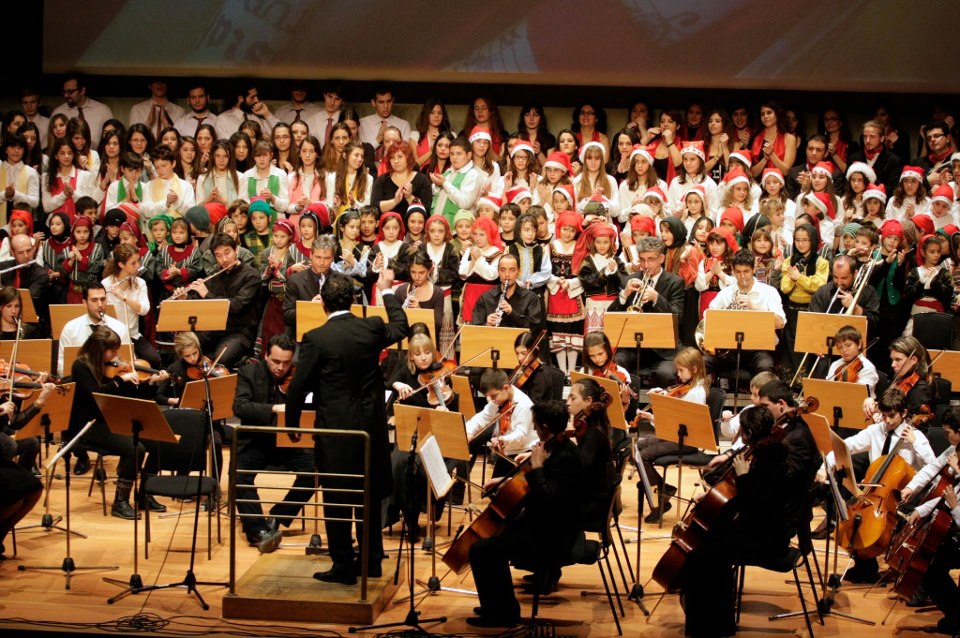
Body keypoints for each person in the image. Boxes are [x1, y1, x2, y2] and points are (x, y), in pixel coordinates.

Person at [284, 269, 407, 585]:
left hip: (336, 430)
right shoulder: (372, 327)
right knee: (369, 494)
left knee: (337, 497)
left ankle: (343, 565)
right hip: (370, 428)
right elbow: (401, 325)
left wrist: (293, 423)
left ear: (323, 303)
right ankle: (371, 560)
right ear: (353, 300)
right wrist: (387, 290)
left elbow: (298, 387)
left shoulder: (316, 338)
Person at [466, 399, 582, 628]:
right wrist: (505, 480)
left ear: (545, 427)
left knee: (481, 550)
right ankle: (497, 606)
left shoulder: (567, 457)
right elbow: (537, 485)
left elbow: (548, 498)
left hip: (553, 536)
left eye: (535, 425)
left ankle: (502, 614)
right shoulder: (556, 446)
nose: (534, 428)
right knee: (490, 541)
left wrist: (537, 468)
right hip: (543, 524)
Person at [679, 406, 792, 638]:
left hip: (767, 539)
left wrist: (743, 476)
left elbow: (755, 505)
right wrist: (711, 497)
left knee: (703, 556)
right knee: (708, 547)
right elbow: (743, 499)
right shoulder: (761, 453)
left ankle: (711, 627)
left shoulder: (769, 461)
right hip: (757, 529)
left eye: (742, 431)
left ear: (749, 433)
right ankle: (714, 623)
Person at [822, 387, 936, 583]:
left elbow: (934, 466)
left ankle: (897, 565)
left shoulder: (916, 437)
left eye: (892, 416)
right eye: (883, 415)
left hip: (906, 496)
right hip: (875, 492)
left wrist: (915, 443)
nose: (887, 421)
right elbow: (844, 446)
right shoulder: (875, 431)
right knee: (853, 518)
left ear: (904, 413)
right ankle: (865, 566)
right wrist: (826, 465)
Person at [65, 325, 167, 519]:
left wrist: (150, 383)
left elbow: (134, 396)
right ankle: (120, 502)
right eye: (112, 351)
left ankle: (145, 494)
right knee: (135, 449)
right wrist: (121, 380)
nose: (116, 356)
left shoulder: (113, 369)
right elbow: (96, 395)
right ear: (99, 349)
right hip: (91, 425)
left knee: (158, 441)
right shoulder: (81, 366)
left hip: (116, 420)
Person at [232, 334, 314, 553]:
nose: (281, 368)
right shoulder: (248, 372)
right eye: (276, 361)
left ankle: (278, 516)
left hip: (288, 442)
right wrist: (273, 409)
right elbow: (240, 406)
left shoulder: (299, 375)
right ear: (266, 355)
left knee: (314, 472)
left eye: (286, 363)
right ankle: (258, 531)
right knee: (239, 475)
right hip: (256, 441)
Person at [174, 231, 261, 369]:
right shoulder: (215, 274)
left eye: (227, 253)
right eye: (218, 256)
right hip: (214, 329)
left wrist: (207, 294)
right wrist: (186, 299)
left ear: (236, 250)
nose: (224, 259)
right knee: (186, 349)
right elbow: (202, 303)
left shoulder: (251, 275)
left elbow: (237, 305)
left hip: (238, 332)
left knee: (221, 360)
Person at [607, 236, 685, 386]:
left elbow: (678, 317)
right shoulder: (629, 280)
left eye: (651, 259)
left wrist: (657, 298)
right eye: (642, 260)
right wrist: (624, 295)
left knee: (665, 373)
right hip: (633, 349)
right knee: (616, 364)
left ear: (661, 259)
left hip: (663, 350)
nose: (645, 265)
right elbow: (611, 317)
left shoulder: (675, 282)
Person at [707, 249, 786, 377]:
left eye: (746, 271)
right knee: (702, 362)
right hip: (730, 348)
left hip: (759, 349)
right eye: (738, 272)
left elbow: (780, 323)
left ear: (753, 269)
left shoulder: (769, 292)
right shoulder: (726, 293)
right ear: (733, 271)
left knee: (765, 367)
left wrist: (753, 307)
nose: (742, 276)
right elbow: (709, 317)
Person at [465, 368, 538, 478]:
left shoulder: (524, 405)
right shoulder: (499, 399)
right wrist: (468, 431)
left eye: (494, 396)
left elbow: (520, 435)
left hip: (523, 452)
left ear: (506, 388)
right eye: (488, 396)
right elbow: (483, 417)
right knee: (493, 487)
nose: (491, 400)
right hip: (508, 451)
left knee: (499, 487)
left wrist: (502, 440)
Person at [57, 283, 130, 377]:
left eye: (103, 299)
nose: (100, 305)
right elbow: (61, 366)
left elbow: (127, 363)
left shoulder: (120, 328)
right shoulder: (70, 328)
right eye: (94, 300)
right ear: (85, 303)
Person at [470, 253, 544, 329]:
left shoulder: (530, 298)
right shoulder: (485, 298)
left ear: (519, 271)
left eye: (512, 270)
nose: (507, 274)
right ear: (498, 271)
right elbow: (474, 329)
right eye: (503, 270)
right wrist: (487, 325)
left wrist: (512, 313)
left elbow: (535, 328)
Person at [0, 234, 50, 334]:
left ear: (33, 249)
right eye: (20, 253)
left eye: (29, 250)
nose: (26, 256)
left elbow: (22, 300)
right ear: (12, 253)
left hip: (30, 325)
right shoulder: (3, 267)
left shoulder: (41, 275)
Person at [52, 74, 113, 150]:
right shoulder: (58, 112)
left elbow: (112, 137)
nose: (66, 95)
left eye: (70, 92)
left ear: (82, 90)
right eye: (64, 92)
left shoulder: (103, 110)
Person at [358, 86, 412, 151]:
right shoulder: (363, 123)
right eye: (381, 102)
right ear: (373, 103)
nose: (386, 106)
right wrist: (378, 139)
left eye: (389, 101)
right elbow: (361, 151)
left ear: (393, 101)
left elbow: (405, 152)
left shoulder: (403, 125)